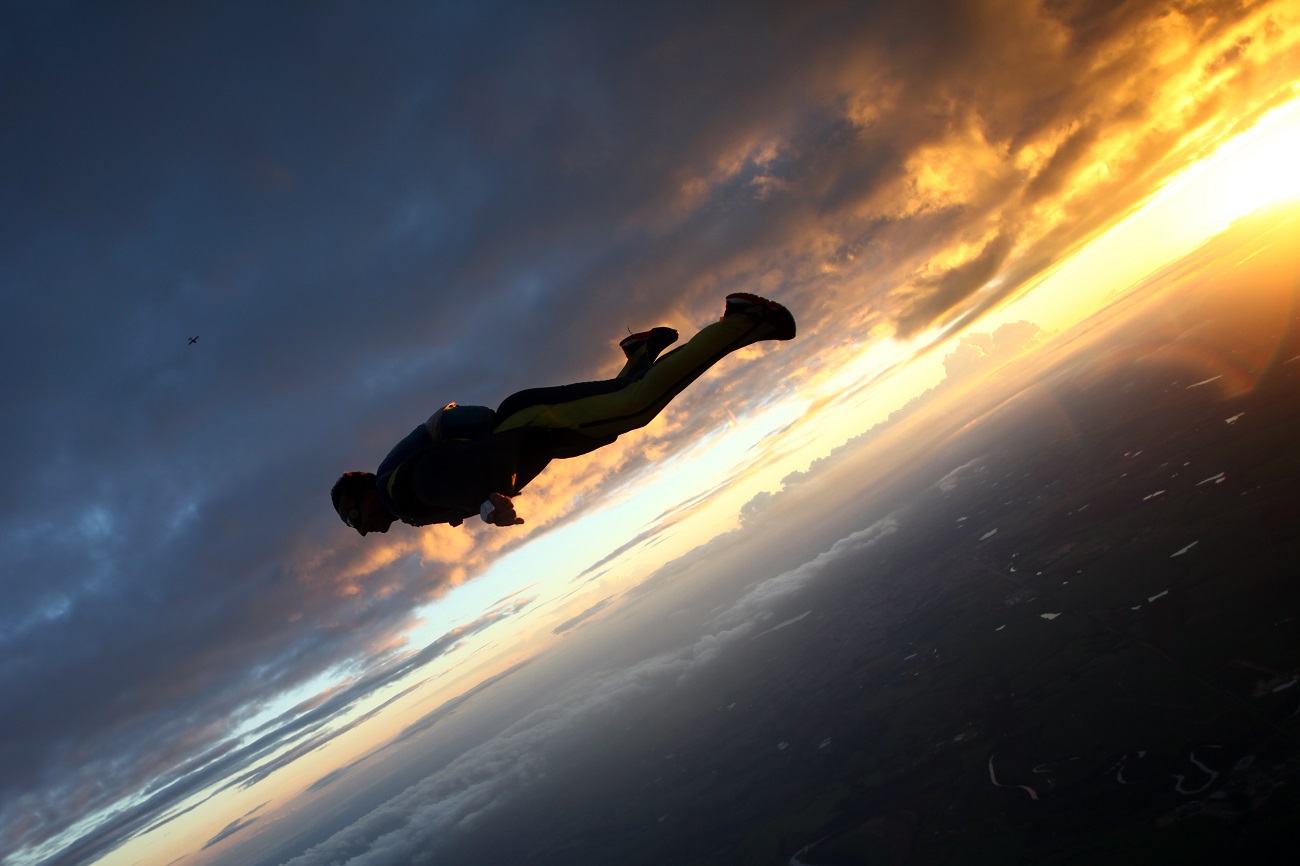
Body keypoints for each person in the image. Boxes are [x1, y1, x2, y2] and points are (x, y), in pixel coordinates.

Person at [331, 293, 796, 535]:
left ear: (365, 494)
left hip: (526, 425)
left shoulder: (395, 491)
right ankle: (640, 352)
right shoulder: (401, 497)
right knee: (618, 411)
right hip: (528, 432)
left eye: (353, 519)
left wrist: (486, 495)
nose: (363, 532)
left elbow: (440, 469)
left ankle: (744, 318)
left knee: (634, 407)